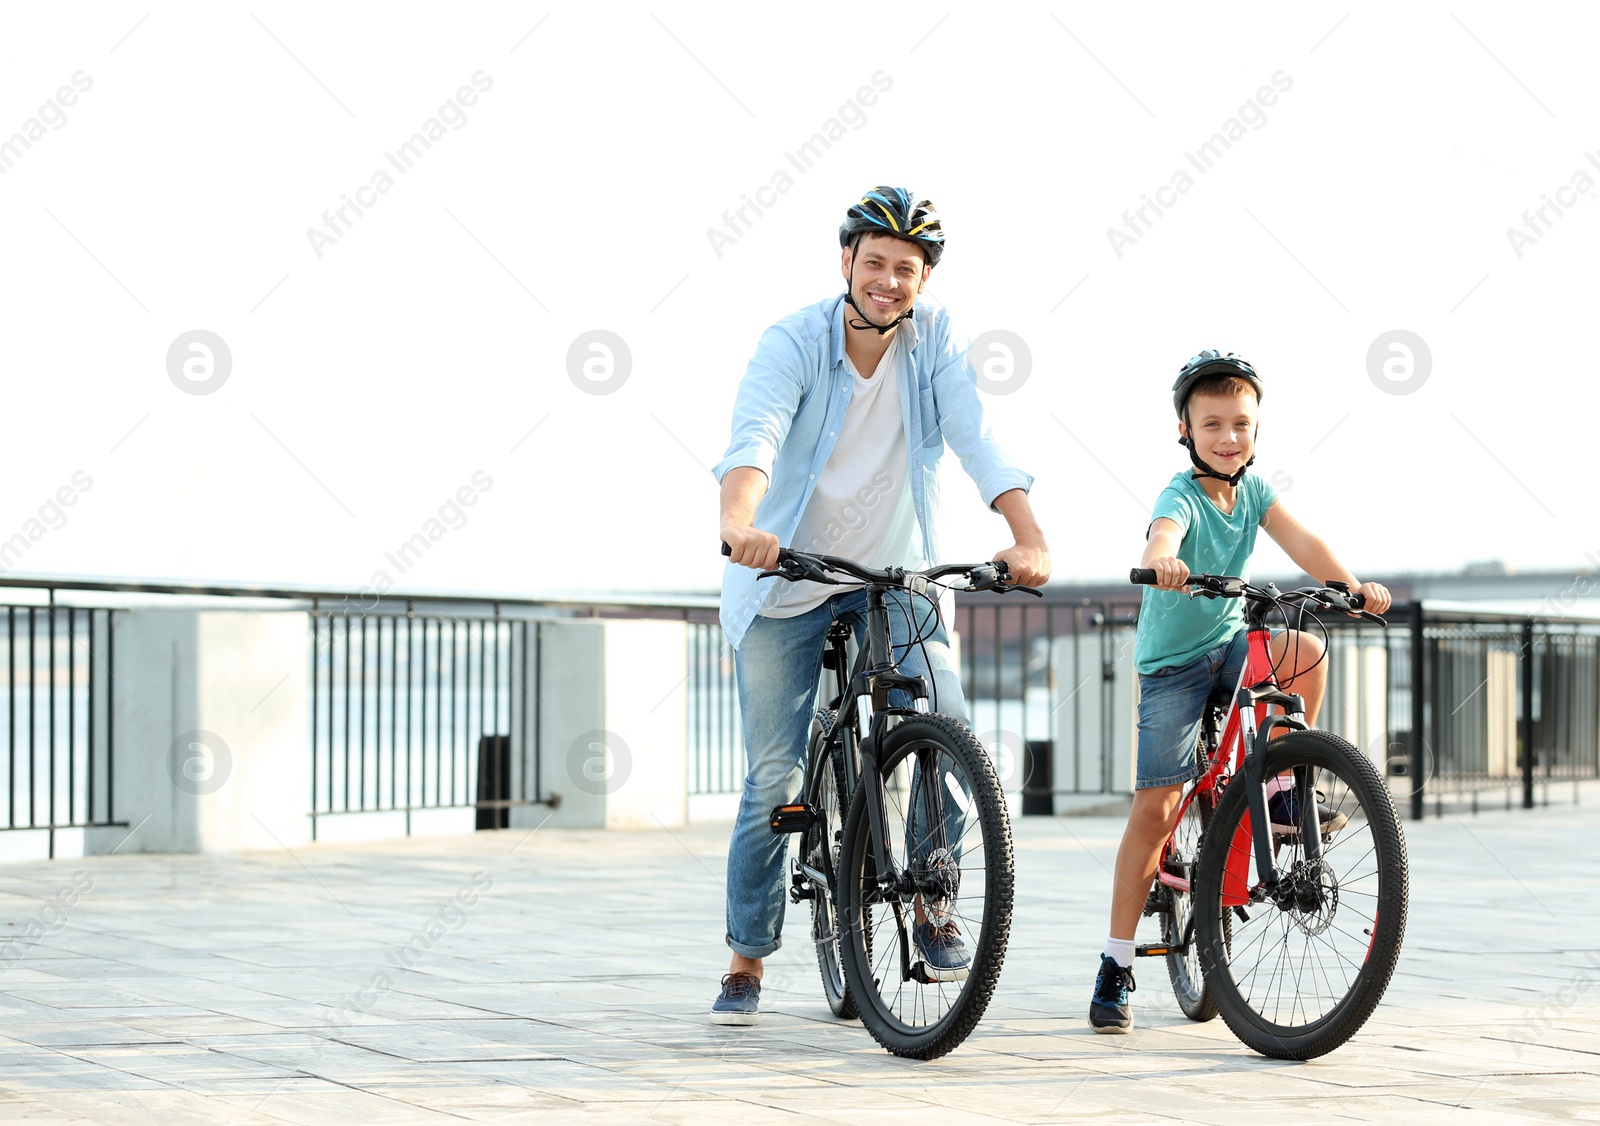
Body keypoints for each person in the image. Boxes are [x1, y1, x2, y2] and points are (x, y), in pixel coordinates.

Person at [711, 186, 1051, 1025]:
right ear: (846, 264)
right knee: (775, 780)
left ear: (923, 279)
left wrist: (1027, 533)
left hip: (895, 576)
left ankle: (934, 903)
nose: (889, 282)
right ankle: (747, 958)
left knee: (946, 723)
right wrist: (738, 521)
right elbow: (754, 436)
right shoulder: (793, 341)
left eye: (906, 269)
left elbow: (975, 435)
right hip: (786, 577)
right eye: (875, 264)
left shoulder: (933, 340)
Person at [1088, 350, 1393, 1034]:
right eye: (1214, 425)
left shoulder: (1254, 491)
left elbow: (1303, 539)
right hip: (1172, 664)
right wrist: (1163, 560)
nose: (1229, 437)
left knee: (1304, 650)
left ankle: (1284, 783)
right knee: (1157, 808)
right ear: (1185, 430)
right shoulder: (1182, 494)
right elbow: (1163, 531)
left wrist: (1349, 586)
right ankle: (1115, 962)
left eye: (1242, 425)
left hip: (1229, 644)